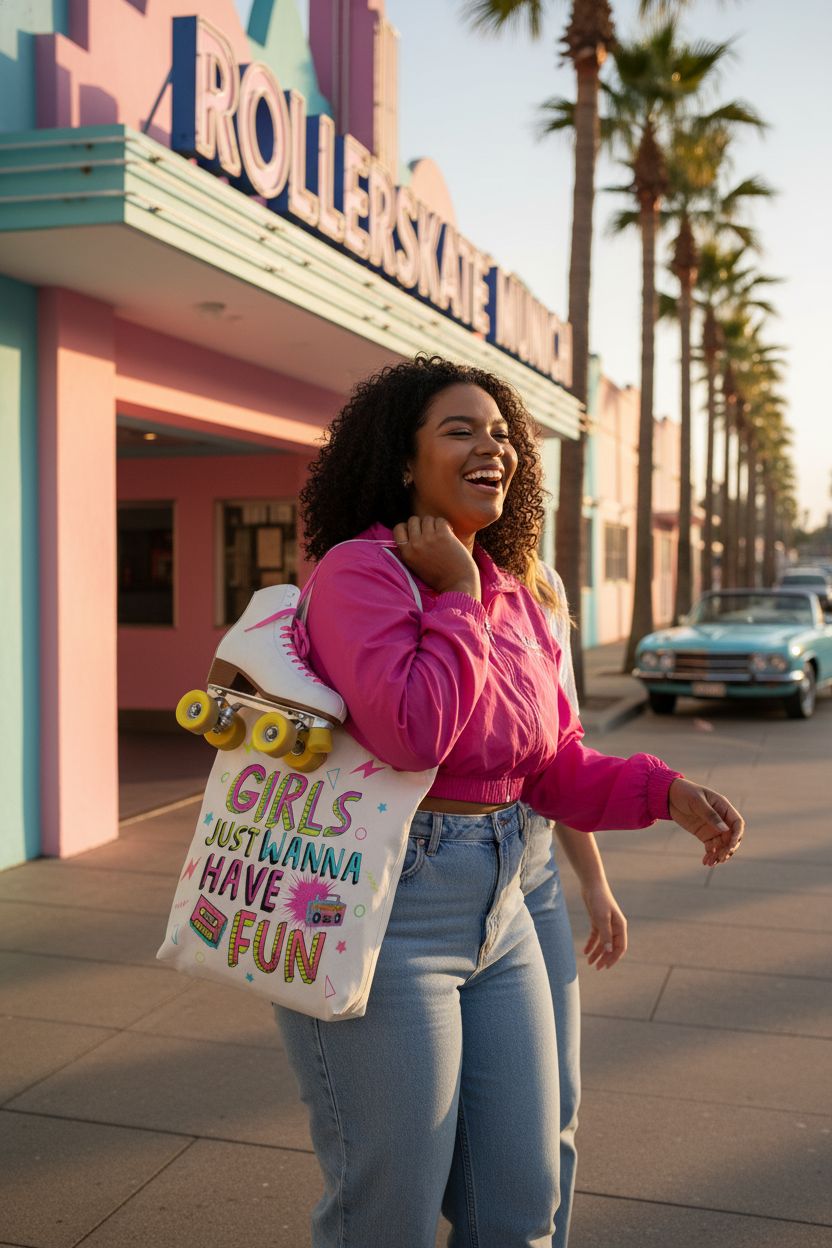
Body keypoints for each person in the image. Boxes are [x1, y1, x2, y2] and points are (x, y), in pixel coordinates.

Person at [276, 355, 744, 1248]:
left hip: (508, 901)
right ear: (404, 463)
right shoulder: (358, 574)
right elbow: (416, 733)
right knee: (392, 1215)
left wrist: (663, 791)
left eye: (501, 434)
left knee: (521, 1203)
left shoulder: (515, 592)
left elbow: (549, 764)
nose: (492, 446)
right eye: (460, 430)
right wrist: (453, 592)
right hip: (389, 910)